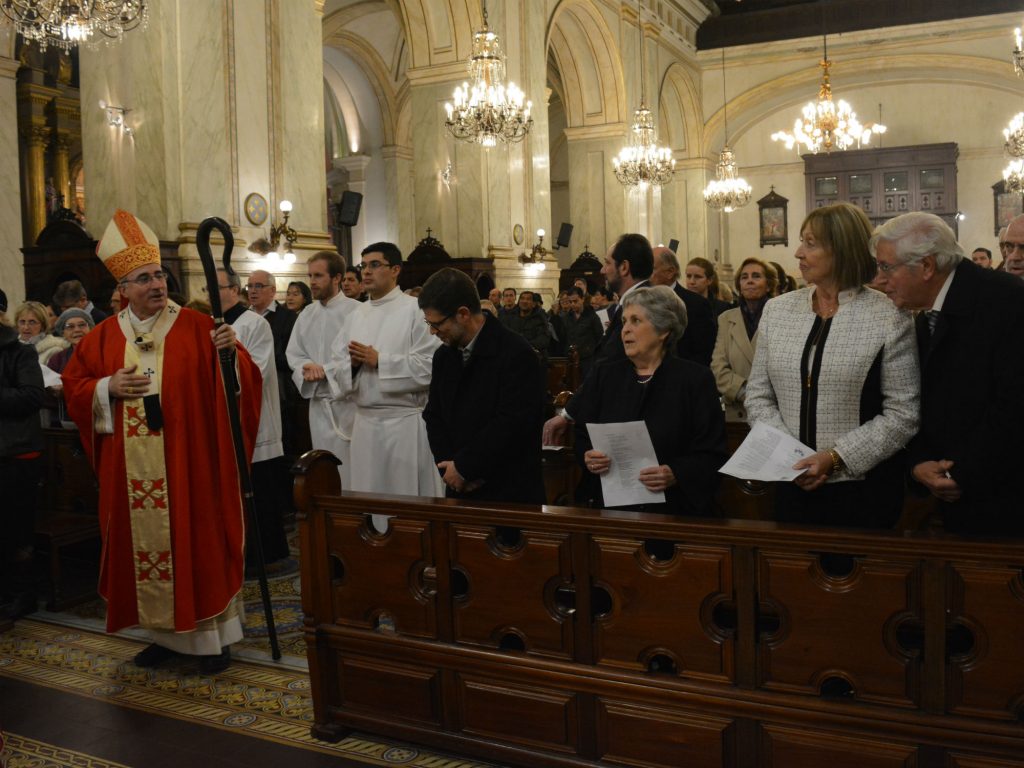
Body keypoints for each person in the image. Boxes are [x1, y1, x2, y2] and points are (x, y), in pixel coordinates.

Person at [62, 209, 261, 674]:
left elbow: (245, 386)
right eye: (144, 279)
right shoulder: (102, 337)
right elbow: (75, 385)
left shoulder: (198, 327)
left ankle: (212, 640)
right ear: (123, 290)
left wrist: (231, 358)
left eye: (159, 275)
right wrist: (106, 387)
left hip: (190, 465)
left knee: (199, 545)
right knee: (147, 551)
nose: (156, 285)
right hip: (133, 475)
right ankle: (165, 639)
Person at [745, 202, 919, 529]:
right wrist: (789, 457)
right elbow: (758, 396)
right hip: (789, 485)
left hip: (862, 491)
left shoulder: (889, 314)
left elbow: (903, 412)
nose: (798, 252)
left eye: (811, 243)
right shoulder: (778, 311)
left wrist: (834, 458)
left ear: (842, 249)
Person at [872, 211, 1024, 535]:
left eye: (886, 267)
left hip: (1003, 501)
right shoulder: (928, 310)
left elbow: (1013, 407)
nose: (879, 279)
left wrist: (960, 473)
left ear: (926, 267)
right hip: (953, 494)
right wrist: (919, 465)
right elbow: (928, 401)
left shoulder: (1008, 301)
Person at [573, 286, 727, 516]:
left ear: (663, 329)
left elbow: (712, 452)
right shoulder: (604, 376)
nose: (625, 330)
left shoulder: (694, 380)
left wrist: (676, 472)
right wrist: (588, 455)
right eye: (624, 321)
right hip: (611, 509)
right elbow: (583, 433)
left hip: (673, 511)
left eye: (636, 321)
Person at [327, 242, 443, 499]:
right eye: (363, 266)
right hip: (365, 425)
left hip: (403, 425)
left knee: (407, 502)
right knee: (369, 501)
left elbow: (431, 366)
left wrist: (381, 360)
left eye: (375, 265)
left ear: (395, 270)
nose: (366, 272)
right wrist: (353, 366)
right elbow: (336, 369)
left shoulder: (415, 311)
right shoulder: (356, 315)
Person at [419, 268, 545, 503]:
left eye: (437, 324)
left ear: (463, 314)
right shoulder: (444, 356)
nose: (432, 332)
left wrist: (467, 467)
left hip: (507, 492)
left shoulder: (516, 353)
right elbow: (433, 415)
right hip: (458, 487)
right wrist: (450, 470)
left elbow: (513, 423)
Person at [542, 233, 654, 446]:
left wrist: (567, 414)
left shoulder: (643, 304)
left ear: (624, 267)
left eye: (606, 263)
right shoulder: (635, 300)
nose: (602, 270)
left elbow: (609, 363)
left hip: (632, 419)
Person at [218, 269, 290, 571]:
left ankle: (267, 555)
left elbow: (255, 372)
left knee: (260, 491)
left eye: (217, 287)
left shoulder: (254, 324)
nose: (211, 294)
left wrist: (228, 359)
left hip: (255, 418)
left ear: (235, 290)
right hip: (222, 419)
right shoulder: (211, 325)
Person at [285, 251, 361, 487]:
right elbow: (294, 353)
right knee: (323, 471)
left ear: (337, 278)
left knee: (351, 472)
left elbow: (357, 355)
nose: (312, 282)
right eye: (310, 276)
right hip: (317, 404)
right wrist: (305, 367)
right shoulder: (307, 313)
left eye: (318, 275)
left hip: (347, 404)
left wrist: (325, 370)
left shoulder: (356, 312)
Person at [0, 311, 45, 621]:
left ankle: (23, 594)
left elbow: (32, 397)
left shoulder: (20, 352)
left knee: (16, 527)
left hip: (15, 453)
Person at [711, 257, 776, 422]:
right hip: (738, 413)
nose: (750, 281)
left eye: (756, 276)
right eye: (744, 277)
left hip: (774, 411)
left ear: (768, 285)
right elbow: (718, 368)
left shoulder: (780, 318)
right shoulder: (726, 318)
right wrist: (747, 393)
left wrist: (764, 398)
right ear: (739, 285)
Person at [650, 246, 717, 366]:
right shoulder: (641, 301)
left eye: (651, 269)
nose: (645, 274)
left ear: (670, 272)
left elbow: (704, 352)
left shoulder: (697, 304)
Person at [562, 285, 603, 379]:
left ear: (582, 299)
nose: (572, 304)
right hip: (571, 359)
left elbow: (599, 338)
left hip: (588, 360)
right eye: (570, 301)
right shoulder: (567, 318)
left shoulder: (592, 317)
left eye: (575, 301)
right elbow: (564, 338)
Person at [501, 290, 552, 362]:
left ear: (534, 304)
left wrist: (525, 346)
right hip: (514, 358)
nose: (524, 301)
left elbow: (543, 339)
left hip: (534, 358)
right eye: (522, 298)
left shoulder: (540, 318)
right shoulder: (511, 318)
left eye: (528, 299)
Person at [15, 301, 67, 365]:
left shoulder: (54, 351)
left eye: (32, 322)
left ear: (43, 325)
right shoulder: (11, 350)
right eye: (22, 322)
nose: (26, 327)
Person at [46, 308, 95, 375]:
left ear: (90, 328)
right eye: (70, 326)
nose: (77, 330)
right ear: (63, 333)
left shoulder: (102, 354)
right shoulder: (57, 359)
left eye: (82, 325)